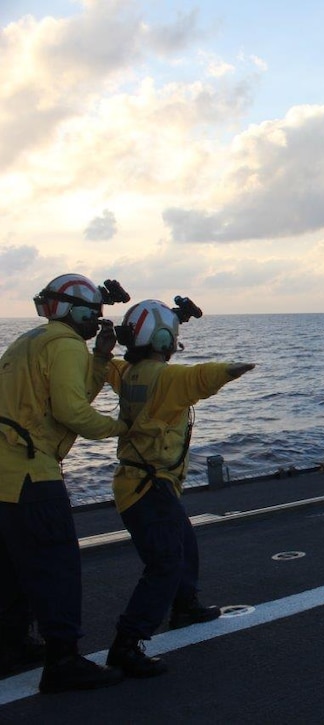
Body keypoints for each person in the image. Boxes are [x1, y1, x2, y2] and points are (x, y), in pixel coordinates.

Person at [104, 298, 254, 678]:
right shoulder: (163, 378)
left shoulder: (128, 372)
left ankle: (185, 605)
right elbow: (198, 377)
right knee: (165, 563)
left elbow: (108, 368)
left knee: (183, 542)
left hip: (139, 483)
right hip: (149, 486)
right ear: (163, 338)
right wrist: (235, 369)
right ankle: (127, 643)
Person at [0, 273, 129, 692]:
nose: (99, 323)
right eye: (95, 315)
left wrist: (99, 360)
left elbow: (63, 398)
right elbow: (73, 412)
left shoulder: (31, 342)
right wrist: (122, 427)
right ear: (76, 312)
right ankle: (63, 662)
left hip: (4, 476)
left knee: (13, 568)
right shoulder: (67, 346)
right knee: (57, 565)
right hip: (30, 473)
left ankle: (12, 647)